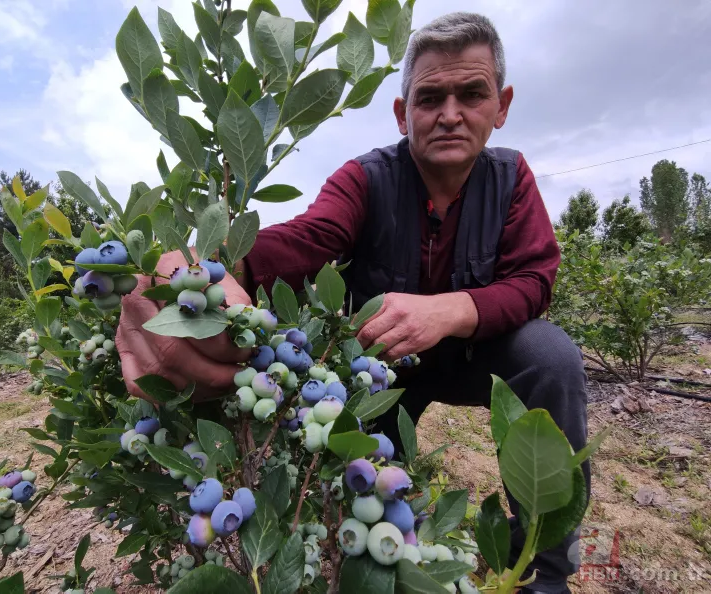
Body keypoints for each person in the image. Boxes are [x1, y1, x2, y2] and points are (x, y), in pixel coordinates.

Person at [117, 12, 588, 594]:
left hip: (473, 358)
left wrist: (448, 311)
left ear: (502, 105)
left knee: (551, 355)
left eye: (472, 94)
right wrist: (195, 268)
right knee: (371, 485)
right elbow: (302, 242)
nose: (450, 113)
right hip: (382, 367)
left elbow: (534, 278)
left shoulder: (511, 177)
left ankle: (546, 571)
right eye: (429, 97)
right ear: (402, 112)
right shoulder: (365, 179)